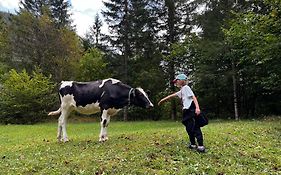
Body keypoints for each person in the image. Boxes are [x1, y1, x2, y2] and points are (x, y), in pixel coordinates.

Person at [158, 73, 206, 153]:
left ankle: (201, 146)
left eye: (177, 81)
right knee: (189, 128)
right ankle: (193, 144)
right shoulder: (182, 90)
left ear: (181, 81)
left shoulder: (186, 88)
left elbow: (193, 97)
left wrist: (197, 108)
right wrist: (162, 100)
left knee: (195, 128)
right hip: (186, 112)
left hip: (191, 110)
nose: (176, 83)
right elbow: (172, 95)